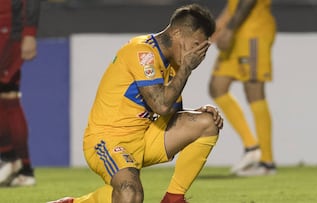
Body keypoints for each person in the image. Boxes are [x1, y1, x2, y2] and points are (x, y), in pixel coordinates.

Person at [49, 3, 222, 203]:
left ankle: (173, 199)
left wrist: (197, 113)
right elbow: (161, 106)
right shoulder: (142, 52)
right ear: (177, 33)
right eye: (196, 45)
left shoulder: (173, 64)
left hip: (143, 138)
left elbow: (170, 113)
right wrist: (186, 69)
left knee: (208, 122)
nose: (199, 53)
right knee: (130, 193)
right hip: (108, 140)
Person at [209, 0, 276, 176]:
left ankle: (267, 163)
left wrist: (229, 29)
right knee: (217, 86)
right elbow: (233, 5)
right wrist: (218, 28)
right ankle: (252, 147)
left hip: (254, 31)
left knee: (254, 92)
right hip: (237, 30)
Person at [0, 0, 41, 186]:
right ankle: (18, 166)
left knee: (7, 94)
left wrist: (30, 33)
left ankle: (12, 161)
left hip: (8, 24)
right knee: (7, 96)